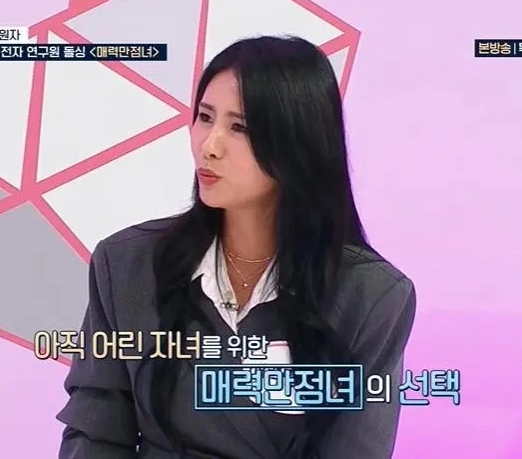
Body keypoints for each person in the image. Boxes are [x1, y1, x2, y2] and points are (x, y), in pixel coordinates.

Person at [56, 35, 416, 459]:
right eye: (205, 117)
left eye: (239, 127)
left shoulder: (372, 297)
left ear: (298, 143)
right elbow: (95, 434)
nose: (209, 146)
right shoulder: (126, 265)